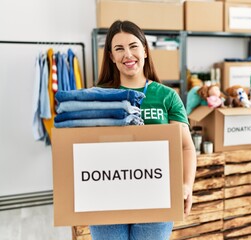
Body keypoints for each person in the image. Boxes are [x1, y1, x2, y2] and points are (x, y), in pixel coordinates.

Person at [90, 20, 197, 240]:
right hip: (107, 197)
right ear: (111, 56)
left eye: (133, 46)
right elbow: (83, 146)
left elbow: (186, 147)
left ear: (145, 51)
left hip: (156, 196)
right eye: (119, 48)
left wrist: (187, 185)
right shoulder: (98, 97)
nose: (127, 54)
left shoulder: (167, 96)